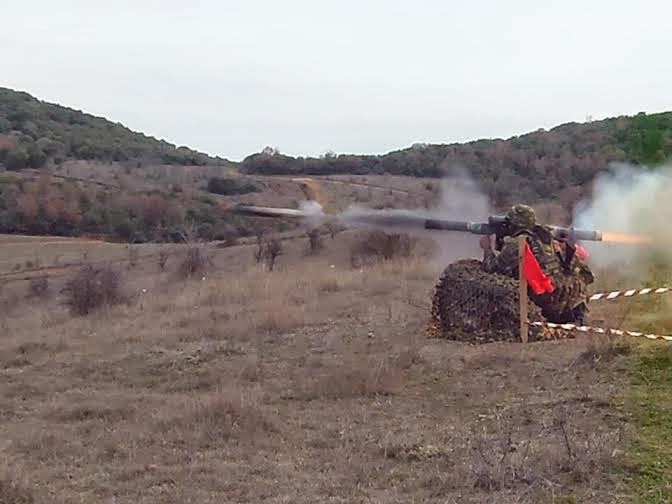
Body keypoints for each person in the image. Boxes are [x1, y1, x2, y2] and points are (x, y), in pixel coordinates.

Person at [480, 204, 593, 324]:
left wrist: (487, 249)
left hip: (545, 300)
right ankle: (574, 314)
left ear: (514, 224)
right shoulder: (547, 237)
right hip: (566, 295)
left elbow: (494, 269)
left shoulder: (518, 243)